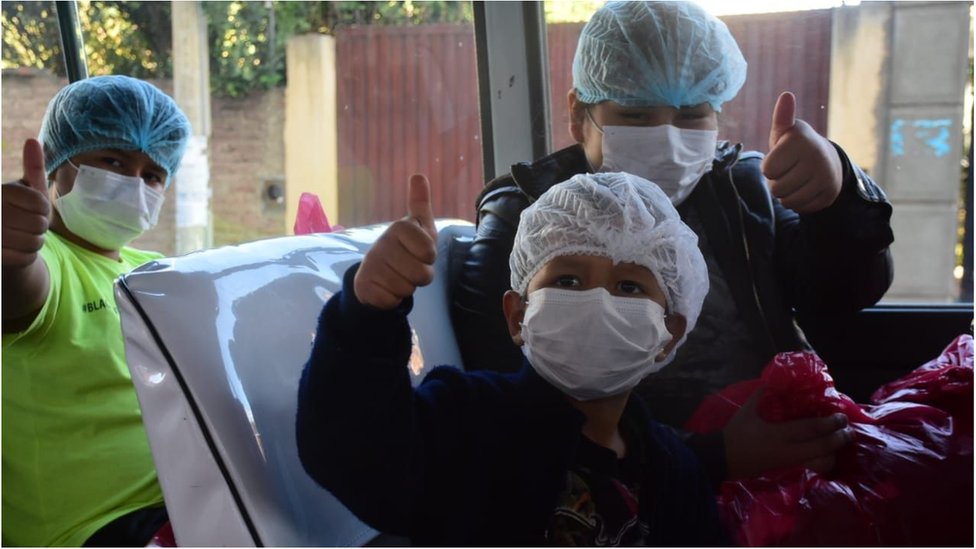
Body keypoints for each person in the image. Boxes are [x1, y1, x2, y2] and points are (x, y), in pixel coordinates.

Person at [451, 0, 892, 482]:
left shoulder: (740, 192)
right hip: (612, 490)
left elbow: (840, 295)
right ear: (580, 115)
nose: (667, 137)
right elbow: (498, 401)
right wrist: (711, 458)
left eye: (690, 116)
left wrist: (838, 197)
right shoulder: (526, 215)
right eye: (637, 116)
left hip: (778, 458)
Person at [296, 172, 728, 546]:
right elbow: (355, 456)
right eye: (568, 279)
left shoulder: (674, 473)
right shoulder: (466, 422)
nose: (597, 302)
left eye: (629, 287)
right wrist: (368, 313)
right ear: (518, 316)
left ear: (668, 335)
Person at [2, 75, 191, 546]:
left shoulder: (152, 271)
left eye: (152, 175)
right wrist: (11, 257)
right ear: (56, 164)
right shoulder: (48, 261)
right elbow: (18, 296)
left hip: (188, 501)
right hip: (96, 528)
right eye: (113, 161)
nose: (134, 184)